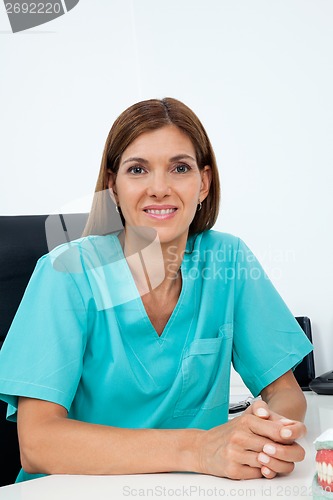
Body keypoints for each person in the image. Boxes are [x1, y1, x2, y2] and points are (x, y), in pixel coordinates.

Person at [0, 97, 313, 483]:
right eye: (138, 170)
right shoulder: (66, 273)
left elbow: (286, 393)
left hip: (196, 488)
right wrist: (200, 448)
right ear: (113, 186)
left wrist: (268, 436)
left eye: (180, 168)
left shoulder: (227, 259)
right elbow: (37, 444)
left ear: (204, 183)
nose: (159, 188)